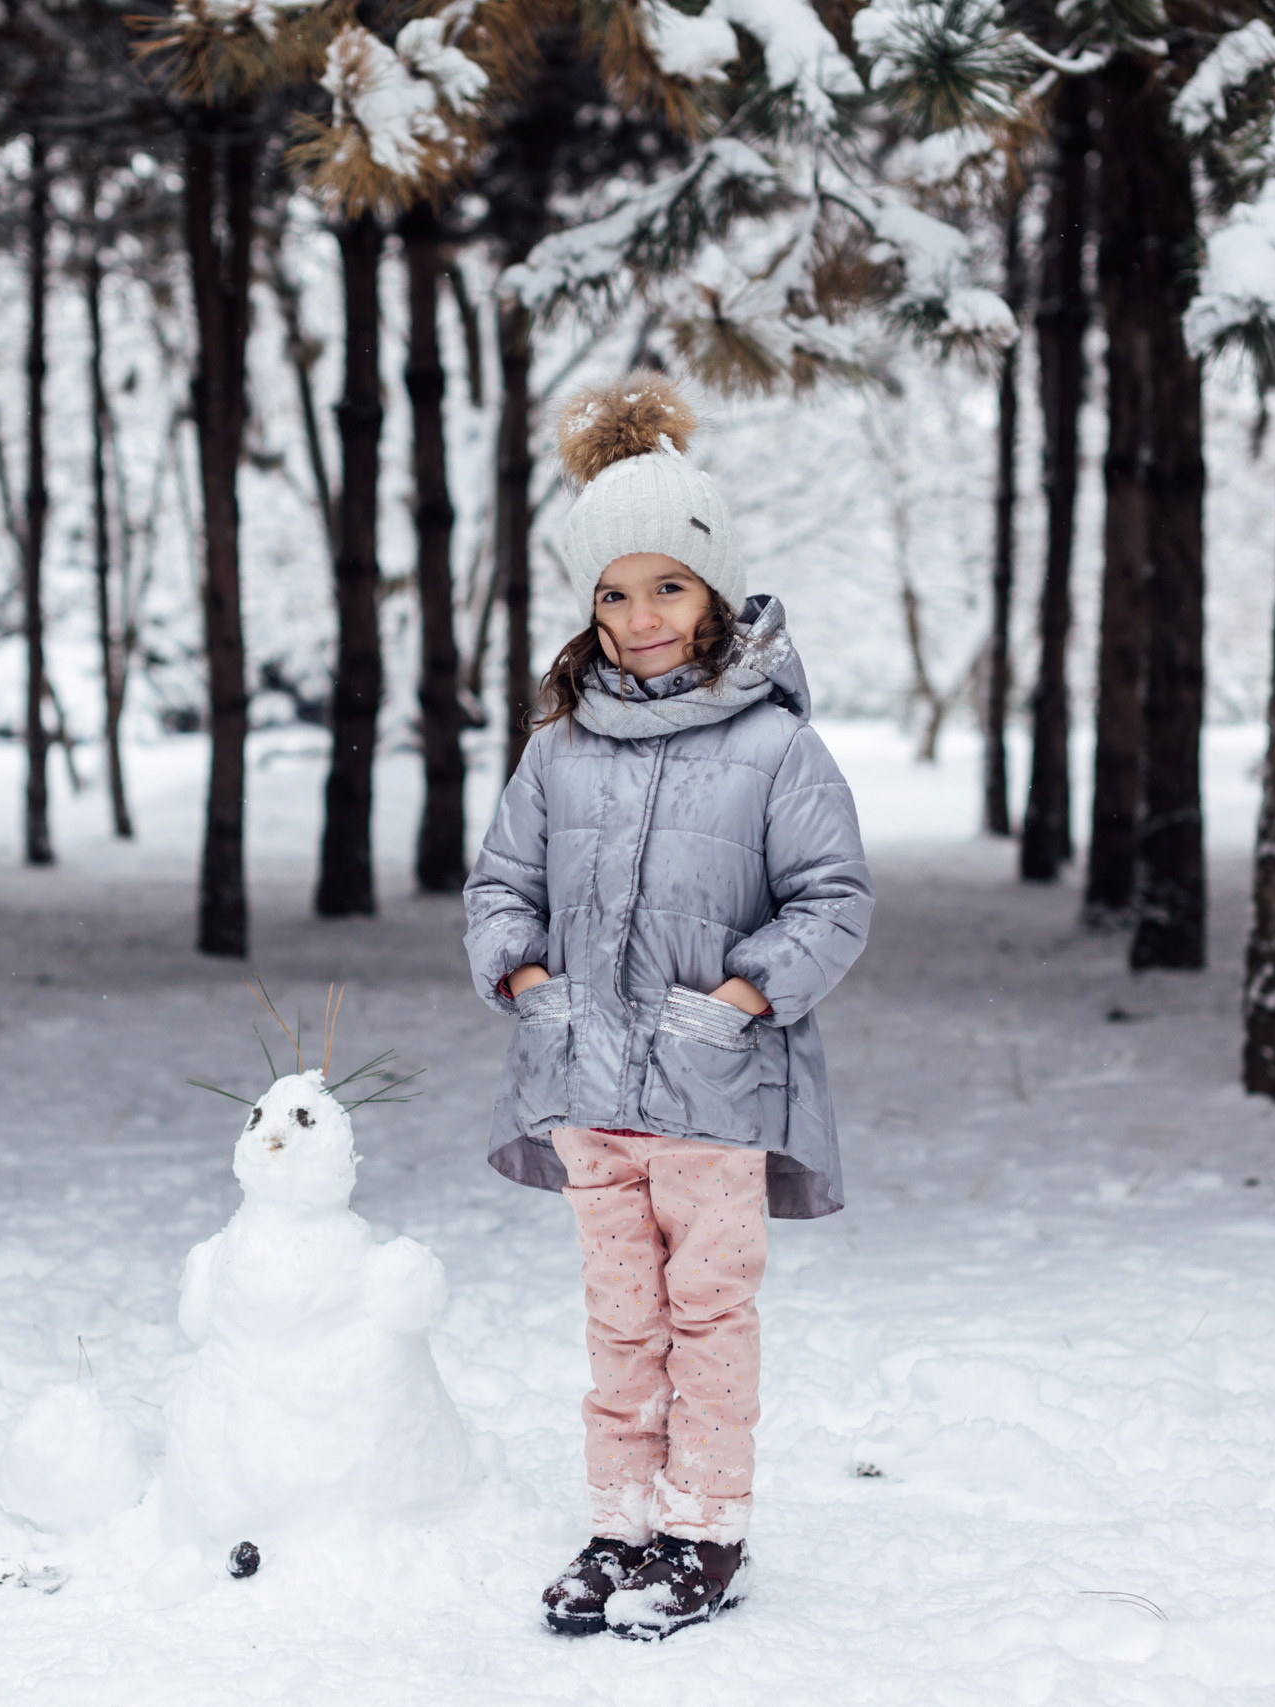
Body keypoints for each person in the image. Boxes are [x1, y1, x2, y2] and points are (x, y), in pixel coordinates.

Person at [462, 371, 874, 1641]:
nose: (640, 617)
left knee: (706, 1316)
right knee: (619, 1318)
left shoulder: (775, 750)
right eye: (613, 592)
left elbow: (832, 898)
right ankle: (618, 1520)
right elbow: (499, 884)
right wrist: (529, 981)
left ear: (715, 593)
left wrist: (744, 996)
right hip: (588, 1084)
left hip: (713, 1088)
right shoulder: (559, 748)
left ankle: (701, 1530)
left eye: (667, 587)